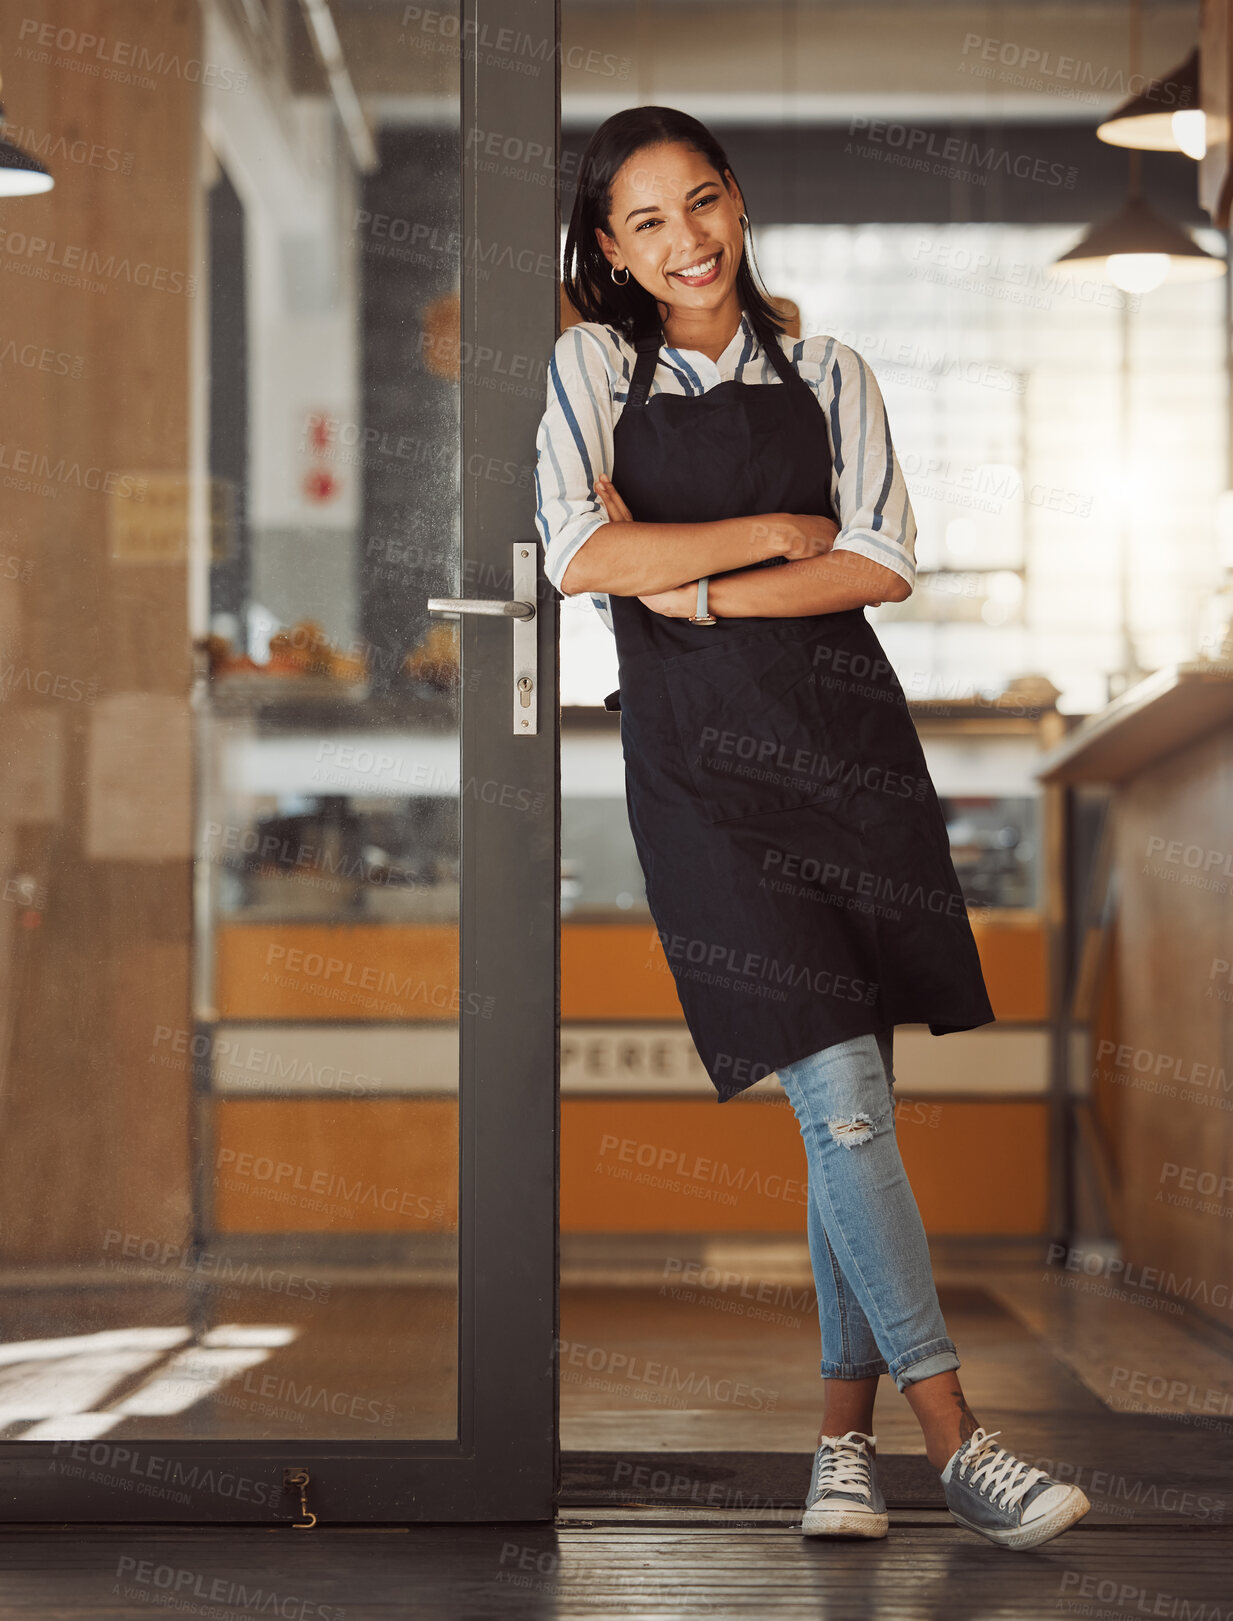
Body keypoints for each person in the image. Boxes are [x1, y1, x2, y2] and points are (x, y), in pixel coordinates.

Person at [534, 104, 1090, 1551]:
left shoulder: (829, 366)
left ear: (736, 201)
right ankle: (958, 1442)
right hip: (704, 788)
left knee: (855, 1123)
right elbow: (577, 551)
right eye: (645, 222)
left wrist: (693, 588)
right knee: (840, 1095)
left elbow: (882, 561)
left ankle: (837, 1454)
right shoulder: (594, 363)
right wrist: (768, 536)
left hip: (844, 761)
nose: (686, 241)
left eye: (702, 203)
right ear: (607, 248)